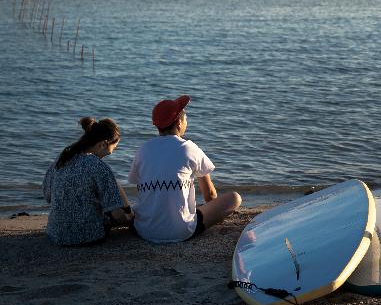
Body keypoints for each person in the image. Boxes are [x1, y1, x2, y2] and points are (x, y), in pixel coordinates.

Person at [128, 95, 241, 243]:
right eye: (186, 119)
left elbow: (140, 187)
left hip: (144, 230)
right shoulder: (189, 148)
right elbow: (210, 195)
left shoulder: (143, 149)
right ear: (179, 123)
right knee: (234, 198)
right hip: (181, 231)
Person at [43, 117, 133, 246]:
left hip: (55, 233)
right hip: (87, 236)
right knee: (113, 186)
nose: (111, 153)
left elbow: (48, 195)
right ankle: (130, 212)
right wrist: (130, 220)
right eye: (113, 148)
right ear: (103, 144)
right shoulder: (98, 166)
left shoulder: (63, 157)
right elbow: (117, 216)